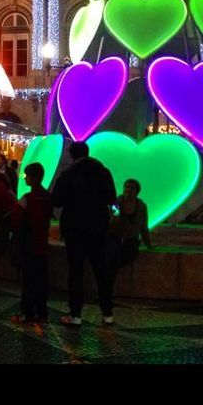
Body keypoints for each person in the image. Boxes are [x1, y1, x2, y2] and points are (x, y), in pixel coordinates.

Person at [51, 140, 117, 326]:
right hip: (98, 227)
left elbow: (57, 200)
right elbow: (111, 198)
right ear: (87, 152)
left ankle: (76, 314)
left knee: (76, 271)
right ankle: (107, 312)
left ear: (72, 155)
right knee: (100, 270)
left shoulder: (68, 174)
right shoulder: (103, 172)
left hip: (75, 227)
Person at [10, 163, 53, 324]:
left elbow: (16, 219)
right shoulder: (48, 197)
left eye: (27, 175)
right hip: (42, 244)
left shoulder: (27, 199)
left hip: (29, 245)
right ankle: (42, 312)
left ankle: (27, 312)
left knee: (28, 281)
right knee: (41, 281)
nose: (25, 178)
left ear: (34, 177)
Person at [110, 179, 152, 265]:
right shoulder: (116, 204)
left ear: (137, 191)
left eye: (132, 188)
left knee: (129, 254)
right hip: (115, 237)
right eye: (127, 187)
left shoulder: (142, 207)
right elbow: (111, 220)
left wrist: (147, 243)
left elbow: (144, 227)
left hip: (132, 239)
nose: (128, 189)